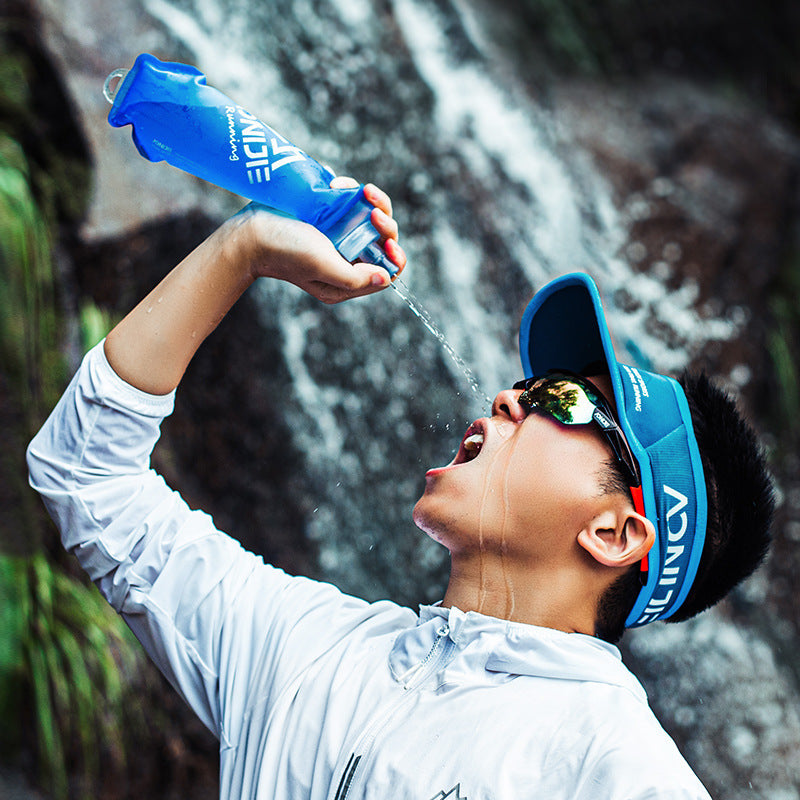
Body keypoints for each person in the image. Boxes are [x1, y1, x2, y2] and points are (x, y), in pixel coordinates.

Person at [27, 176, 774, 800]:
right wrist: (242, 248)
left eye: (564, 403)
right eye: (527, 384)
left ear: (614, 533)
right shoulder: (305, 649)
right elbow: (89, 474)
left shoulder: (615, 769)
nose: (509, 400)